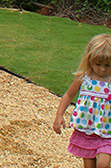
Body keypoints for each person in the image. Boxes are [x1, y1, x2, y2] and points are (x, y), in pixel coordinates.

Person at [53, 33, 111, 168]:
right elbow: (68, 95)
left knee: (103, 164)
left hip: (107, 131)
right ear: (90, 60)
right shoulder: (83, 78)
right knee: (89, 165)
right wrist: (59, 115)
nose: (102, 69)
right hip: (86, 129)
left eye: (107, 65)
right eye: (98, 64)